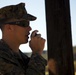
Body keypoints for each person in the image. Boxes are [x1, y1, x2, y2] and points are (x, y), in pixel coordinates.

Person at [0, 3, 47, 75]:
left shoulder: (22, 58)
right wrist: (37, 52)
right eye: (24, 24)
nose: (30, 28)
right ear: (9, 27)